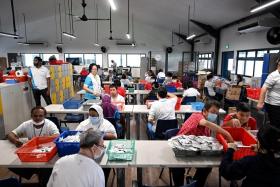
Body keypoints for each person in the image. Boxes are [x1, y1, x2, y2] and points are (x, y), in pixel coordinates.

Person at [171, 100, 233, 187]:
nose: (215, 115)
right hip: (181, 148)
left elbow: (208, 135)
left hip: (194, 149)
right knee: (177, 167)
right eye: (213, 112)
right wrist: (227, 134)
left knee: (207, 166)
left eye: (216, 113)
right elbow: (205, 123)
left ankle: (195, 183)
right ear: (204, 111)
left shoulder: (207, 123)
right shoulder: (197, 116)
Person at [7, 106, 59, 186]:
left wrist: (37, 140)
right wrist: (15, 141)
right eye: (35, 116)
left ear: (44, 116)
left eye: (40, 116)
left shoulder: (49, 124)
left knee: (46, 170)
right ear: (31, 116)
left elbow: (57, 136)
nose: (38, 118)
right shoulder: (26, 124)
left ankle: (41, 175)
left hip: (46, 154)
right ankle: (37, 172)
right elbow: (11, 134)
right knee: (12, 165)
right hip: (31, 155)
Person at [76, 104, 116, 185]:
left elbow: (114, 136)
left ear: (100, 114)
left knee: (103, 166)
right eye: (90, 115)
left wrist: (101, 135)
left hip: (101, 151)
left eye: (94, 115)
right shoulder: (84, 123)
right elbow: (75, 135)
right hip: (87, 152)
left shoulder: (106, 124)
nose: (91, 117)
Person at [257, 57, 280, 127]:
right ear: (278, 64)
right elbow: (264, 88)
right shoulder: (273, 75)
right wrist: (260, 102)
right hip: (273, 104)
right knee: (275, 124)